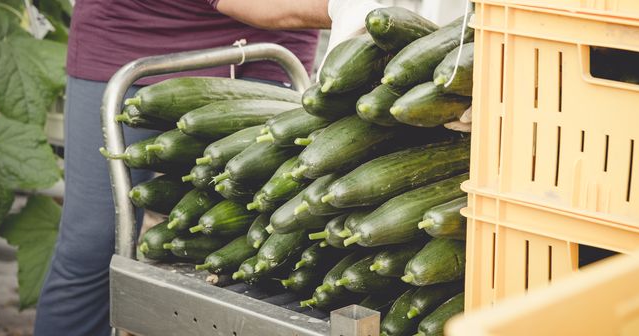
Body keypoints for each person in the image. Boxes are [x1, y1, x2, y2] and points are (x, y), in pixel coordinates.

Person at [33, 1, 382, 335]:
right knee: (92, 244)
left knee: (254, 243)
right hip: (133, 30)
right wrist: (340, 5)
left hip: (264, 50)